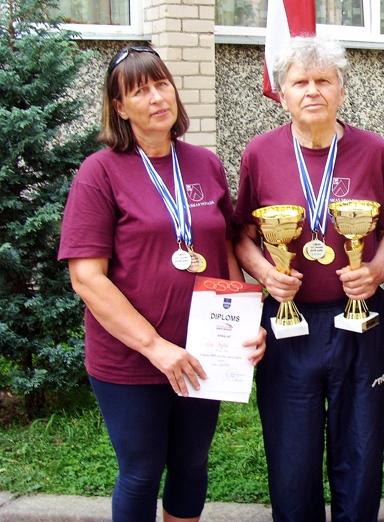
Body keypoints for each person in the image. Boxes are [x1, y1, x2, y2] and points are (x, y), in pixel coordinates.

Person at [59, 46, 266, 522]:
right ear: (119, 107)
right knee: (141, 473)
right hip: (130, 360)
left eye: (161, 84)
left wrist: (244, 322)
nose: (156, 98)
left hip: (203, 351)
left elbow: (224, 246)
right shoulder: (100, 172)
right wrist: (155, 347)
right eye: (139, 91)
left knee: (191, 467)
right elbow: (87, 278)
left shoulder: (204, 163)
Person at [233, 36, 384, 522]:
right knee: (291, 455)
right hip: (288, 325)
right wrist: (266, 272)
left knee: (361, 449)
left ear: (341, 90)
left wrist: (376, 270)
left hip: (359, 321)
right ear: (282, 94)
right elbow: (241, 236)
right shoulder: (261, 152)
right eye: (300, 82)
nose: (312, 91)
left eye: (323, 80)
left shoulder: (370, 149)